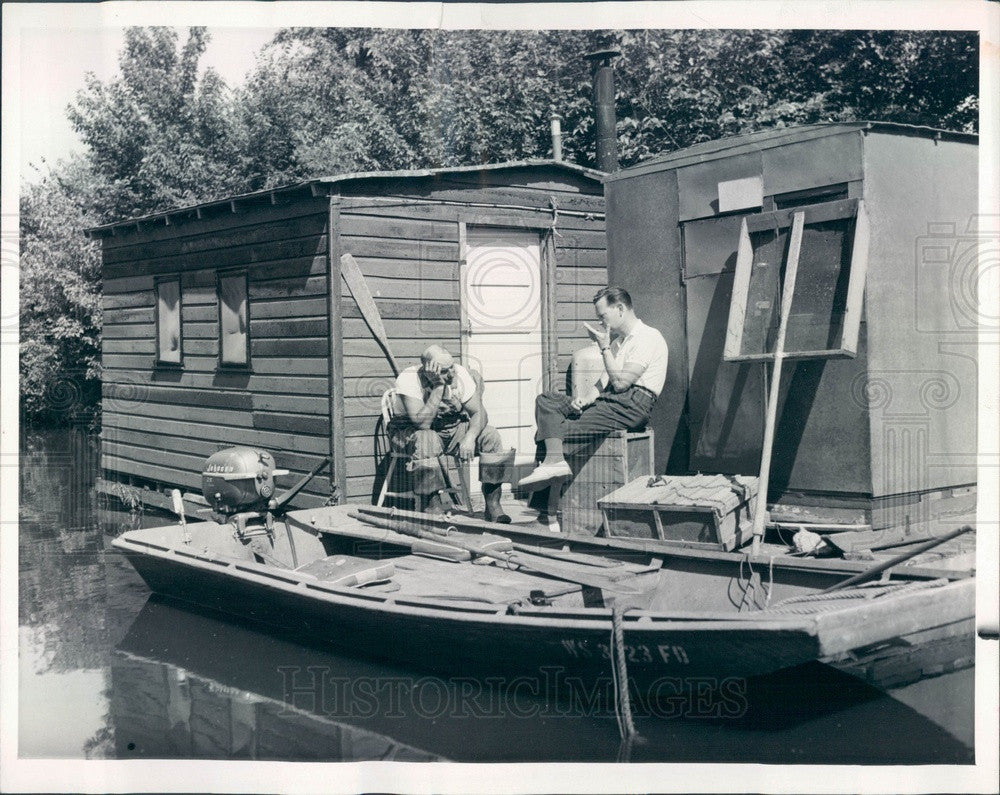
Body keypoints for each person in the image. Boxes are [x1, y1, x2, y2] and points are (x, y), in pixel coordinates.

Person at [518, 286, 668, 490]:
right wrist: (586, 399)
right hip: (610, 400)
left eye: (603, 315)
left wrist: (604, 348)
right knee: (546, 401)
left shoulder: (648, 337)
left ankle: (548, 506)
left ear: (620, 309)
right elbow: (602, 383)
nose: (600, 321)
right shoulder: (617, 343)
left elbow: (621, 384)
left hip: (632, 404)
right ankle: (555, 464)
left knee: (552, 432)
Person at [390, 345, 512, 522]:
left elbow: (480, 413)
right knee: (427, 439)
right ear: (428, 370)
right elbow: (422, 424)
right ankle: (431, 507)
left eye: (452, 367)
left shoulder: (459, 374)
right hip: (409, 433)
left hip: (450, 429)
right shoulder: (409, 379)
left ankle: (493, 505)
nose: (452, 374)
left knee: (490, 435)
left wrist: (470, 438)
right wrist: (438, 387)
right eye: (446, 371)